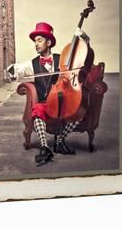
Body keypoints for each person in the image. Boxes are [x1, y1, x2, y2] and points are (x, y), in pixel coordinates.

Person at [7, 22, 88, 166]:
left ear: (48, 42)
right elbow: (19, 69)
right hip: (45, 102)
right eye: (35, 41)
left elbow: (81, 59)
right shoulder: (32, 64)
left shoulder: (62, 58)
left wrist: (84, 39)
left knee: (79, 112)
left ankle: (60, 141)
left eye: (39, 40)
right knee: (37, 111)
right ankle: (44, 147)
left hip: (64, 100)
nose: (36, 44)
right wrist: (12, 70)